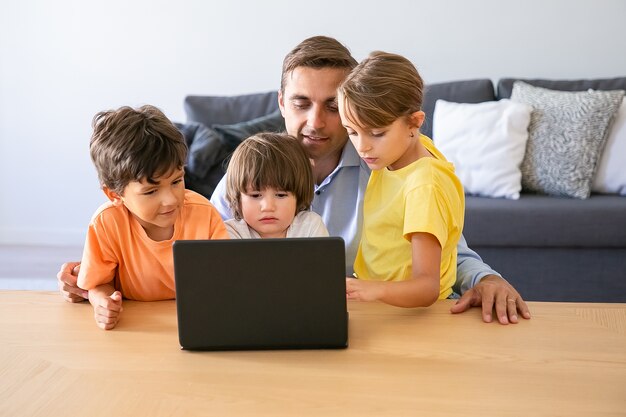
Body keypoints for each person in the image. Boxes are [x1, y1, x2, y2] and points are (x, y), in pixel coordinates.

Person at [59, 36, 530, 324]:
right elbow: (194, 248)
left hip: (368, 323)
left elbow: (447, 248)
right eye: (302, 103)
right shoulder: (250, 169)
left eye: (332, 107)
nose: (316, 122)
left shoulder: (386, 165)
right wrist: (99, 278)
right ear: (281, 103)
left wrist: (487, 278)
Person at [76, 105, 228, 330]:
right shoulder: (106, 223)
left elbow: (226, 280)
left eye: (176, 181)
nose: (170, 200)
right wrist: (103, 303)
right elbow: (98, 284)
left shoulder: (204, 214)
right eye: (150, 191)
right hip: (137, 327)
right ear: (114, 194)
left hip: (196, 322)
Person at [337, 51, 464, 307]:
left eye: (376, 133)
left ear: (414, 123)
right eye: (351, 131)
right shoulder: (400, 153)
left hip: (415, 313)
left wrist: (372, 289)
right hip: (384, 304)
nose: (362, 147)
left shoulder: (424, 186)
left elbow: (426, 287)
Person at [224, 132, 328, 238]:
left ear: (298, 197)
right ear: (238, 199)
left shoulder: (309, 225)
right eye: (255, 195)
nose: (268, 207)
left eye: (281, 195)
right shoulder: (230, 232)